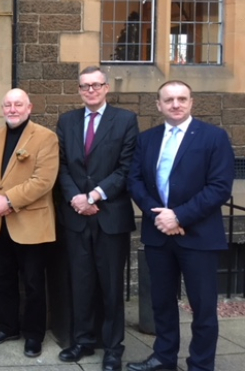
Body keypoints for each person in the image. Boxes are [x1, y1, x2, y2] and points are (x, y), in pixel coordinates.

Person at [127, 81, 235, 371]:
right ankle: (164, 357)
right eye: (169, 99)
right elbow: (134, 181)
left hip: (198, 236)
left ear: (191, 102)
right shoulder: (147, 139)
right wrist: (159, 217)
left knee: (202, 308)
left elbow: (219, 187)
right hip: (159, 235)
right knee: (161, 303)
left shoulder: (214, 137)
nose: (176, 104)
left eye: (181, 99)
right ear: (158, 105)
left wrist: (179, 216)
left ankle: (200, 365)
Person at [56, 66, 139, 371]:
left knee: (111, 286)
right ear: (78, 90)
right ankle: (82, 340)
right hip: (76, 217)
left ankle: (113, 348)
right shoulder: (67, 121)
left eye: (95, 85)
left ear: (106, 88)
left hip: (110, 217)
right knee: (81, 283)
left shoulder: (126, 120)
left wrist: (93, 196)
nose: (90, 90)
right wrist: (76, 198)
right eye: (84, 86)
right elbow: (61, 165)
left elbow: (126, 167)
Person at [0, 88, 58, 359]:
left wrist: (7, 200)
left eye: (18, 104)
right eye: (7, 104)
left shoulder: (46, 137)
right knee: (2, 279)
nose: (12, 109)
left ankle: (34, 335)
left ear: (29, 107)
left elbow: (43, 181)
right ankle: (7, 327)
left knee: (33, 282)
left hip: (30, 222)